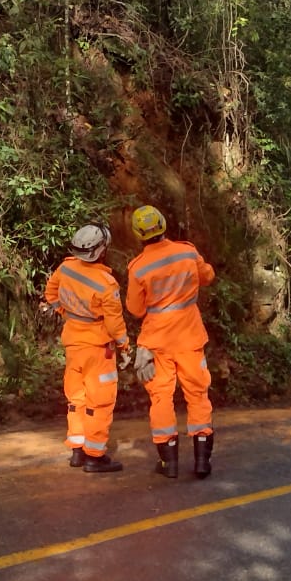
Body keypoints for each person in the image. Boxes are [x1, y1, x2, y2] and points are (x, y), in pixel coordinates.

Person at [125, 205, 216, 479]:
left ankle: (169, 464)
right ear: (164, 224)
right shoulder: (188, 251)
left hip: (156, 341)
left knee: (161, 398)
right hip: (190, 336)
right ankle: (202, 462)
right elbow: (208, 277)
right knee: (198, 395)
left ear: (138, 234)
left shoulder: (138, 268)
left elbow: (135, 309)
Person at [42, 223, 132, 473]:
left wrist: (66, 311)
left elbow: (51, 293)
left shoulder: (66, 267)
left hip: (73, 343)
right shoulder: (107, 284)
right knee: (99, 402)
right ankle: (94, 455)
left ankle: (77, 451)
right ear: (101, 250)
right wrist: (125, 345)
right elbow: (114, 324)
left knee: (76, 399)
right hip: (97, 348)